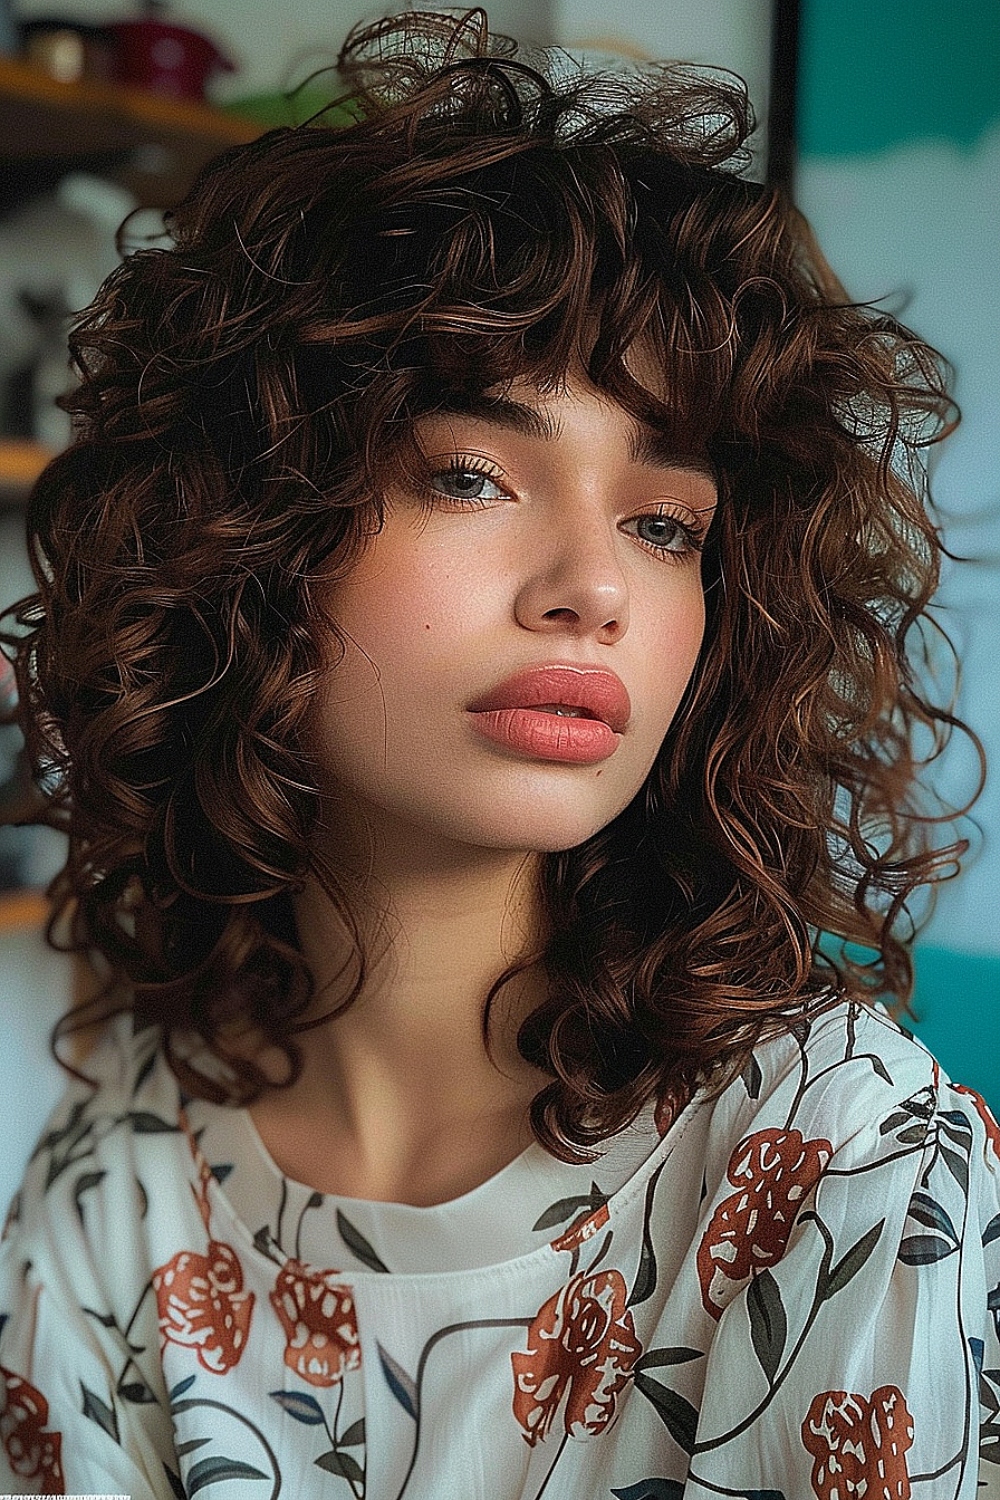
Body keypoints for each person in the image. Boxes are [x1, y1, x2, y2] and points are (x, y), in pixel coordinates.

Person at [1, 9, 997, 1497]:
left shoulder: (851, 1163)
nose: (593, 585)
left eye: (667, 526)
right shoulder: (124, 1173)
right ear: (244, 537)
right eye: (473, 474)